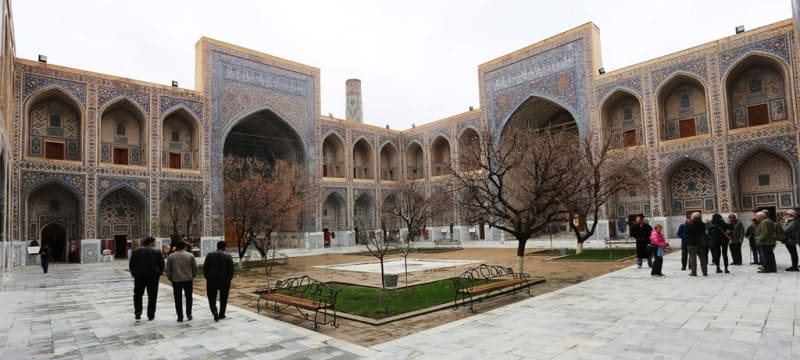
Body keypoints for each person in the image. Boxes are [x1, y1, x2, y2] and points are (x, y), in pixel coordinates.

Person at [129, 236, 165, 321]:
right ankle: (151, 314)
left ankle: (138, 312)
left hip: (139, 277)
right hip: (153, 277)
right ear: (151, 242)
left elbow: (131, 265)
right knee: (152, 296)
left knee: (138, 295)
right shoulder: (157, 252)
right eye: (154, 242)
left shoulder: (136, 251)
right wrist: (158, 273)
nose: (155, 244)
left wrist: (135, 274)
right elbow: (161, 265)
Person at [165, 240, 198, 322]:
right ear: (184, 247)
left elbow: (168, 269)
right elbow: (195, 267)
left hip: (176, 280)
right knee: (189, 297)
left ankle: (180, 316)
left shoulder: (171, 256)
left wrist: (170, 277)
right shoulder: (190, 255)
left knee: (178, 299)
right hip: (188, 279)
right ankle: (189, 314)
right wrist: (193, 275)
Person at [204, 241, 234, 321]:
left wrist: (207, 278)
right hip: (224, 281)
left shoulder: (210, 255)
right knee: (223, 298)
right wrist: (228, 279)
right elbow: (231, 270)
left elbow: (205, 268)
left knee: (211, 297)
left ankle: (214, 311)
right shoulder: (228, 256)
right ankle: (221, 314)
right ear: (225, 247)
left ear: (217, 246)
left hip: (211, 280)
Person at [686, 212, 708, 276]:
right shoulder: (702, 224)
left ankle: (694, 272)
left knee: (693, 258)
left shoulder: (689, 224)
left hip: (692, 243)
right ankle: (705, 272)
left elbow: (687, 231)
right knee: (702, 258)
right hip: (701, 243)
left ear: (693, 217)